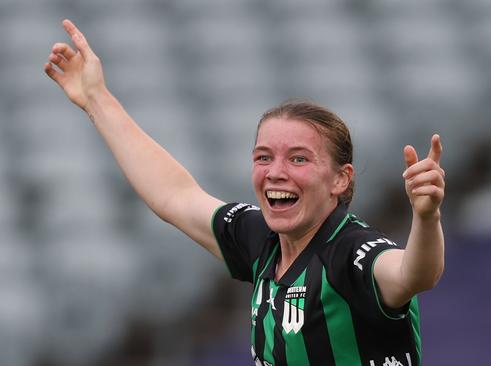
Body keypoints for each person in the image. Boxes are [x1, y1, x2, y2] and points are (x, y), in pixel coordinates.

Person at [44, 19, 445, 366]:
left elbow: (416, 273)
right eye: (263, 157)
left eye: (299, 159)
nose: (276, 173)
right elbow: (174, 196)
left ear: (340, 179)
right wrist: (96, 98)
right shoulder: (260, 240)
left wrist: (426, 218)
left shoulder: (351, 252)